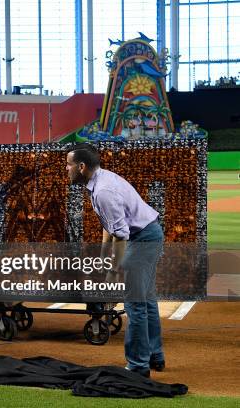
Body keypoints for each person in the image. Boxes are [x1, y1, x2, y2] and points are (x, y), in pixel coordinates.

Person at [66, 143, 164, 378]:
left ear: (81, 167)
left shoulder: (104, 191)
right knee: (147, 299)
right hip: (147, 235)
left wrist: (113, 267)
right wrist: (103, 255)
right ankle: (154, 357)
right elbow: (109, 224)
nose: (66, 169)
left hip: (142, 239)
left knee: (135, 304)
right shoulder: (100, 181)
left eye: (69, 164)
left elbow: (121, 233)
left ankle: (138, 366)